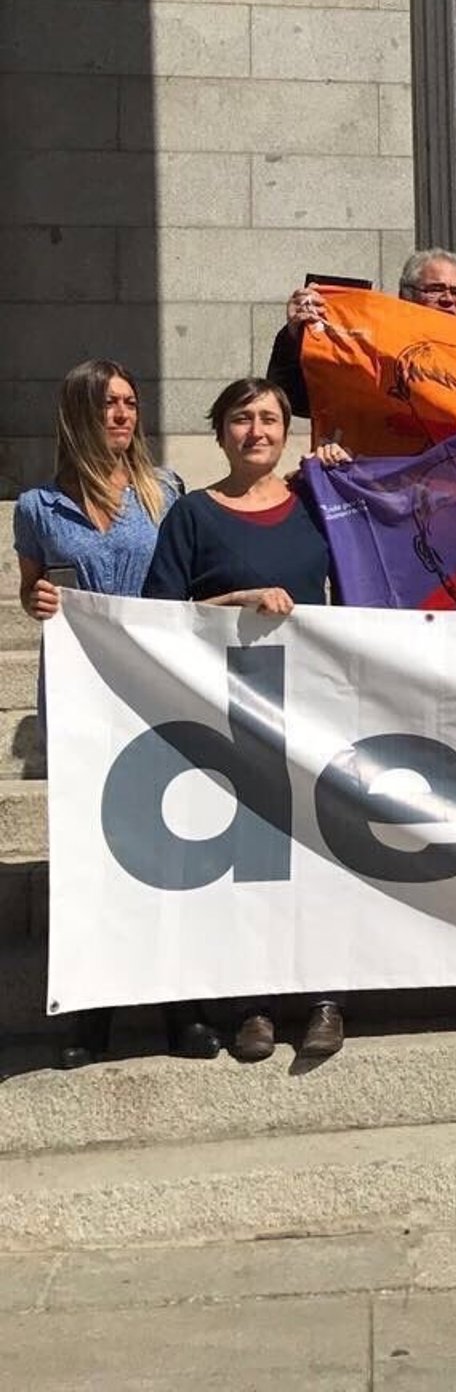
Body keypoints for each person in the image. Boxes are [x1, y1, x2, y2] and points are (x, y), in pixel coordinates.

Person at [142, 378, 348, 1063]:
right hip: (225, 716)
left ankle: (323, 1000)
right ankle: (252, 1005)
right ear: (220, 432)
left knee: (317, 857)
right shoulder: (192, 516)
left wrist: (346, 472)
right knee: (247, 865)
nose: (256, 430)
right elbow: (156, 616)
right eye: (241, 418)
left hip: (312, 712)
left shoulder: (318, 506)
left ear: (287, 431)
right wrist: (238, 601)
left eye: (269, 418)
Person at [15, 361, 189, 1068]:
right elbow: (31, 589)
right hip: (82, 691)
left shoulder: (166, 491)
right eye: (107, 404)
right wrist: (38, 601)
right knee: (91, 853)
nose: (121, 414)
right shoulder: (38, 507)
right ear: (78, 414)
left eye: (129, 403)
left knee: (169, 846)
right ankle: (93, 1017)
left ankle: (182, 1008)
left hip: (153, 688)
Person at [269, 247, 456, 420]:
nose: (448, 299)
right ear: (405, 295)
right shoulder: (370, 350)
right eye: (435, 289)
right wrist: (296, 335)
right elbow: (295, 399)